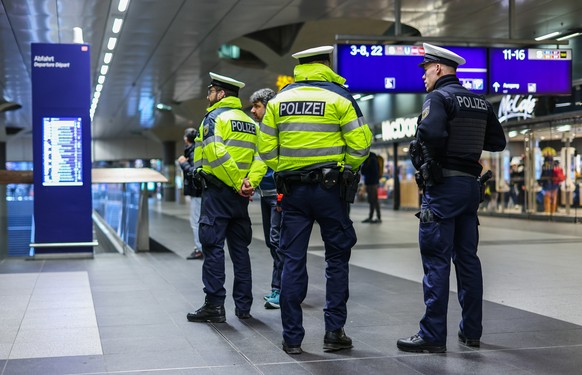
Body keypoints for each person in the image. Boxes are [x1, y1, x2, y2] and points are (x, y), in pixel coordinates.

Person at [259, 46, 372, 354]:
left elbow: (265, 149)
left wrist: (286, 167)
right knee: (337, 258)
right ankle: (334, 333)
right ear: (326, 65)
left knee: (292, 259)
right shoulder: (341, 97)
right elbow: (361, 144)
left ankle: (292, 338)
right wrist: (344, 168)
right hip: (331, 190)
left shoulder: (279, 100)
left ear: (300, 68)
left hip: (292, 192)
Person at [397, 43, 506, 353]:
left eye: (425, 70)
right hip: (471, 188)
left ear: (440, 69)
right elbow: (497, 142)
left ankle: (432, 335)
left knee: (436, 261)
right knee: (468, 260)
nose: (423, 77)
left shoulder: (439, 97)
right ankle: (471, 332)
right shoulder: (480, 101)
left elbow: (430, 134)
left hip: (443, 187)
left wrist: (434, 148)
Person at [186, 72, 266, 323]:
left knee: (213, 247)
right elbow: (261, 157)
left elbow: (215, 151)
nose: (208, 96)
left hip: (219, 191)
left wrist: (234, 182)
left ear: (221, 94)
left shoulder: (213, 118)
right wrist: (247, 183)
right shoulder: (250, 121)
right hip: (241, 196)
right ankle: (244, 307)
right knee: (240, 250)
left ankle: (214, 306)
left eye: (210, 91)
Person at [250, 88, 283, 310]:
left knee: (278, 242)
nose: (253, 111)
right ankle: (279, 288)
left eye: (257, 106)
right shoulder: (264, 129)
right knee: (274, 242)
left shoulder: (278, 128)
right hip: (266, 193)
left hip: (278, 193)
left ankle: (282, 290)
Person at [177, 127, 203, 260]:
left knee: (196, 221)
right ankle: (202, 248)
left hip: (198, 193)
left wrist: (183, 164)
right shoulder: (197, 149)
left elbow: (194, 172)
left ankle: (200, 249)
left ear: (186, 139)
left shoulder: (193, 151)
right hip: (201, 192)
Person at [360, 152, 381, 223]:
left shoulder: (371, 159)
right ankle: (371, 217)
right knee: (372, 200)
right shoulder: (371, 159)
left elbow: (367, 171)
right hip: (371, 182)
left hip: (372, 183)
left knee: (374, 200)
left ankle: (378, 217)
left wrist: (365, 167)